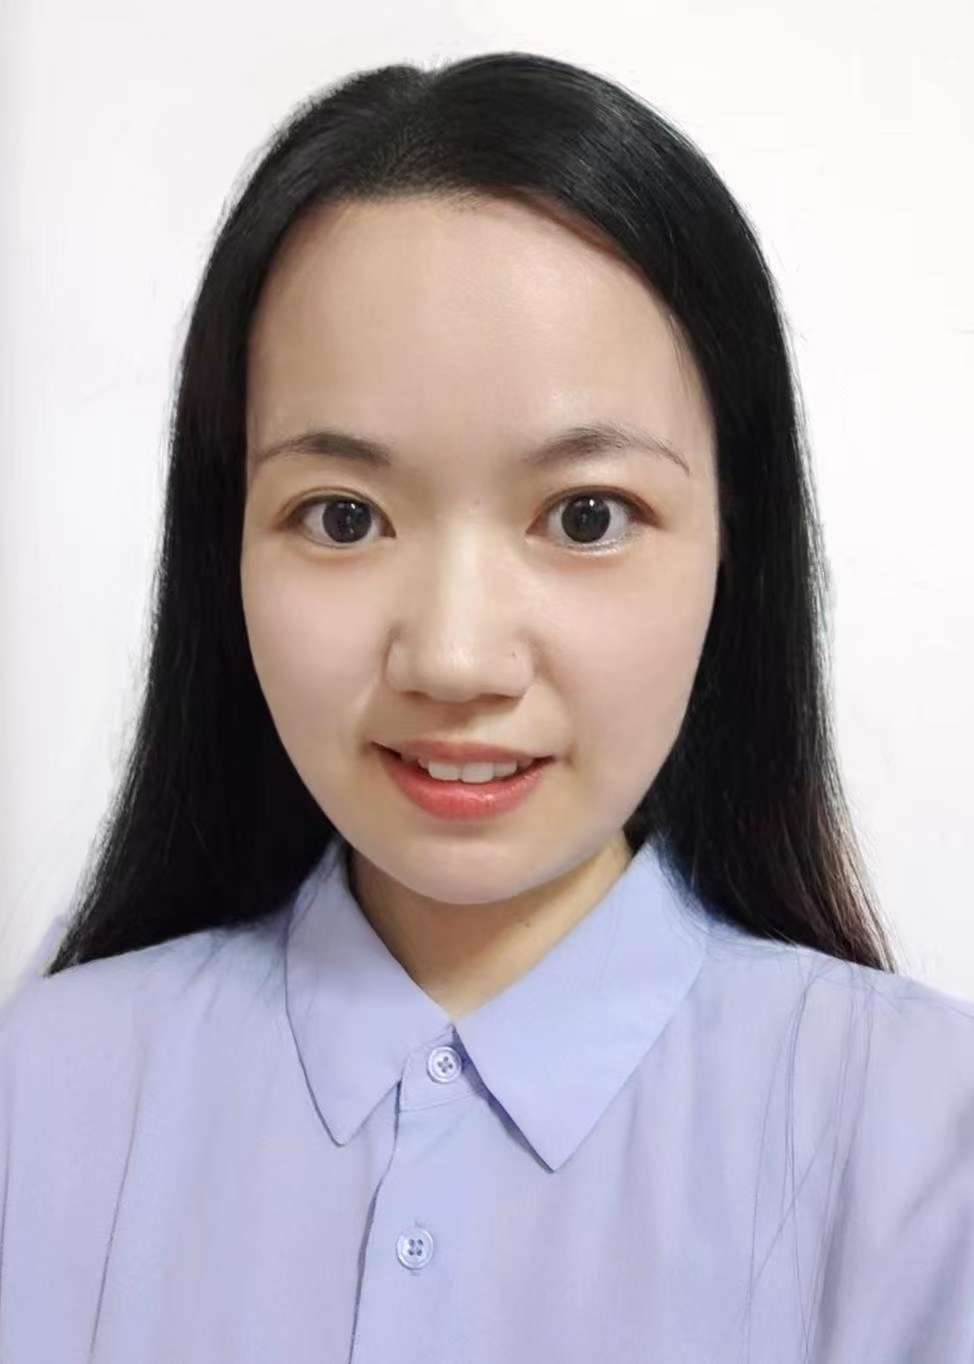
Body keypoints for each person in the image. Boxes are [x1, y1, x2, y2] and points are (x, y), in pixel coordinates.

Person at [1, 49, 972, 1363]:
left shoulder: (926, 1149)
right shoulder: (41, 1098)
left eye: (587, 516)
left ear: (733, 546)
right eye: (342, 517)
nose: (454, 660)